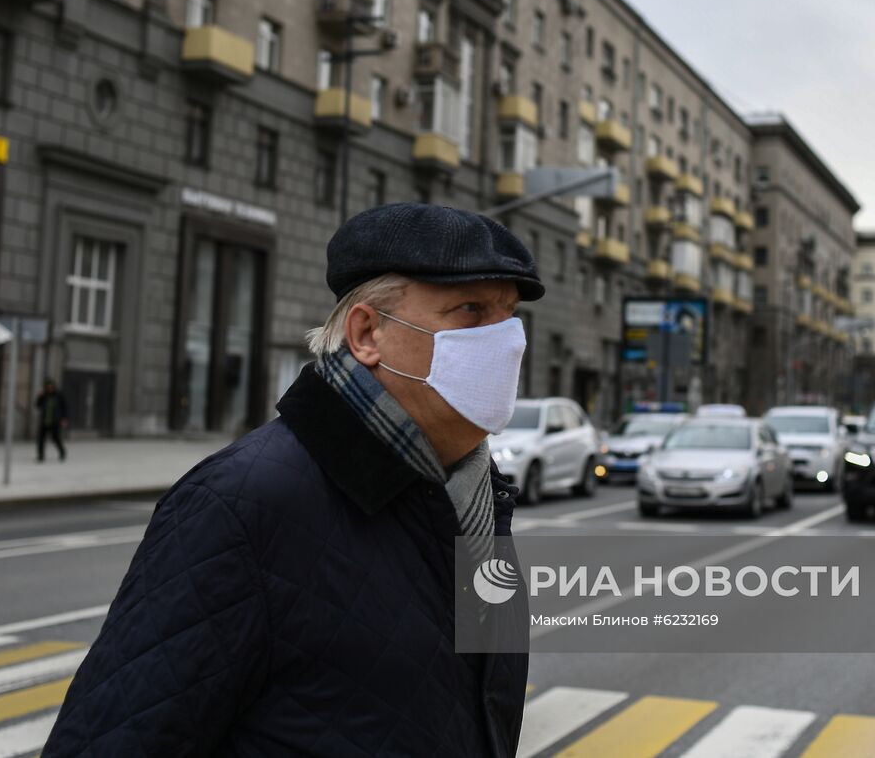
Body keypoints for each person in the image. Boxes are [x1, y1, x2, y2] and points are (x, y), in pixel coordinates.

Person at [43, 203, 540, 757]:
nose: (506, 342)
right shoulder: (239, 506)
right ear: (367, 332)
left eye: (509, 314)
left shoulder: (471, 497)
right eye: (470, 310)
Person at [35, 380, 68, 463]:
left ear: (54, 387)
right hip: (45, 421)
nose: (50, 388)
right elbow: (37, 405)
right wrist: (40, 396)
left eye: (51, 387)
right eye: (48, 387)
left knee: (55, 438)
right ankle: (41, 456)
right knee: (41, 439)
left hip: (55, 421)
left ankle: (62, 453)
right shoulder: (44, 396)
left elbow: (64, 407)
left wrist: (64, 419)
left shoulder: (59, 395)